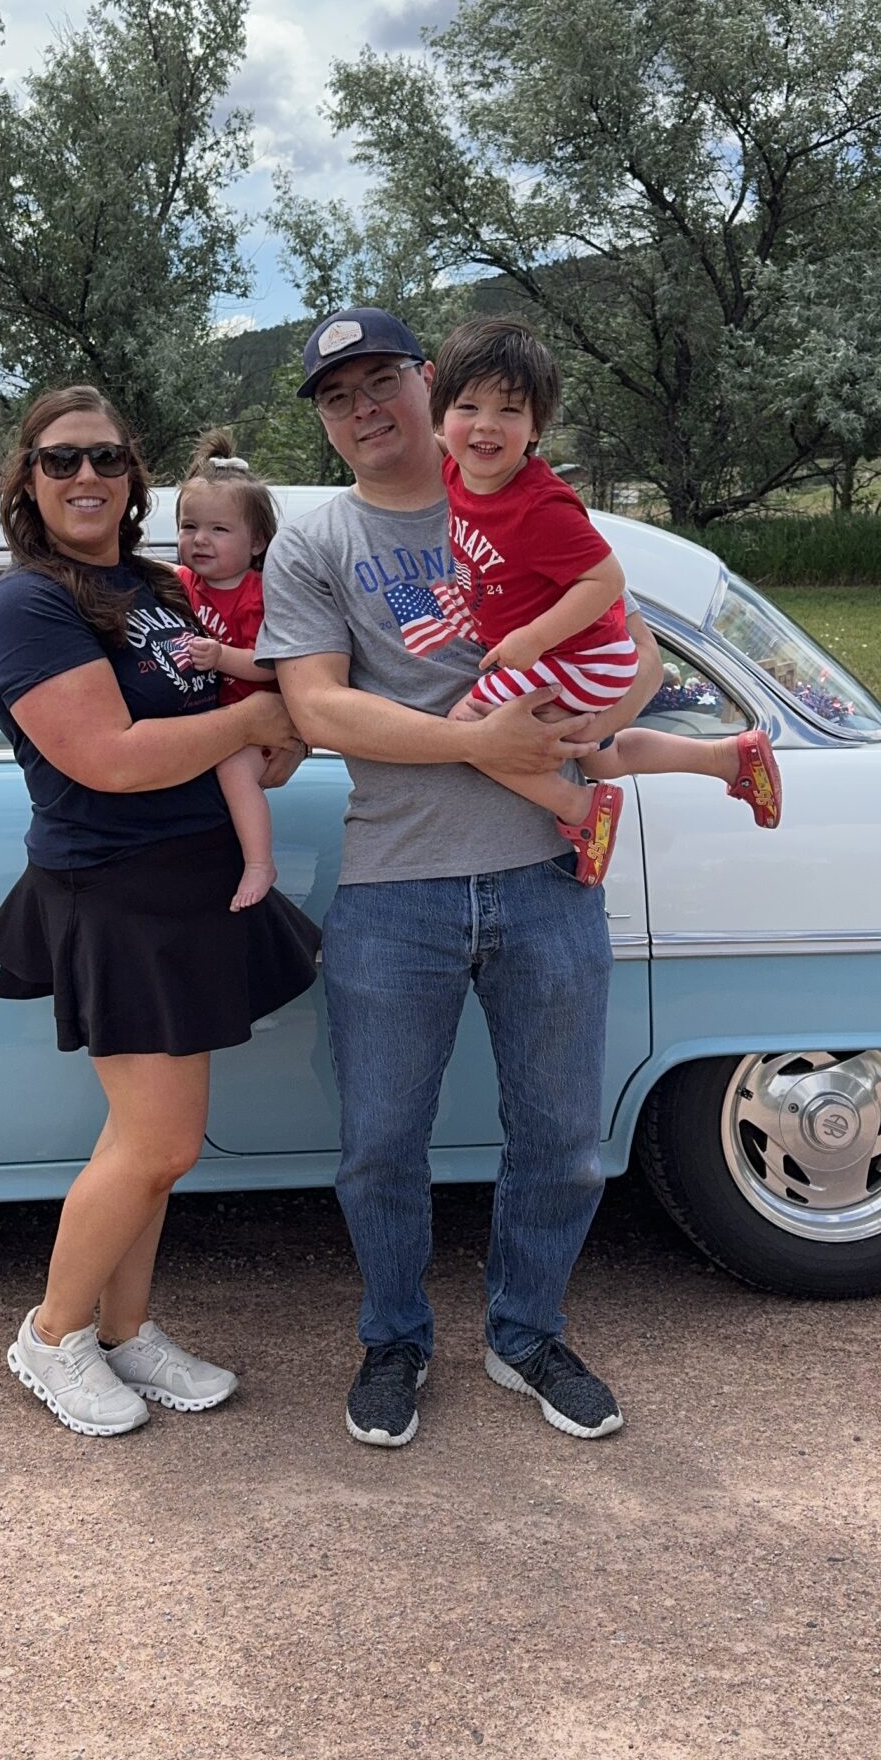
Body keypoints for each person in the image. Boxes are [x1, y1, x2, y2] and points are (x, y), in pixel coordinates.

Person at [254, 306, 662, 1452]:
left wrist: (595, 728)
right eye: (339, 396)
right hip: (395, 883)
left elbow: (637, 647)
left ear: (432, 383)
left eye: (383, 379)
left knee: (564, 1138)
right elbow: (319, 707)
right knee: (381, 1143)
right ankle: (396, 1336)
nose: (365, 408)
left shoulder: (513, 483)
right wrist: (481, 743)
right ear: (327, 421)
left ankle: (526, 1333)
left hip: (545, 874)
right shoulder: (314, 541)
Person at [0, 385, 317, 1439]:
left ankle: (124, 1333)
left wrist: (280, 733)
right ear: (28, 480)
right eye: (62, 459)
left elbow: (233, 731)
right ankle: (51, 1332)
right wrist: (258, 715)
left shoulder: (161, 587)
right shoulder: (30, 604)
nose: (88, 478)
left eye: (108, 460)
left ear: (134, 480)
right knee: (160, 1143)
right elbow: (110, 758)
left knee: (156, 1140)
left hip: (190, 884)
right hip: (115, 892)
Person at [430, 315, 782, 885]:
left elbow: (607, 580)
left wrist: (531, 639)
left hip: (579, 655)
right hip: (571, 653)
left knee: (467, 726)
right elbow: (437, 437)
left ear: (538, 427)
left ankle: (581, 810)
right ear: (442, 413)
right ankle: (728, 757)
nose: (485, 427)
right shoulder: (454, 467)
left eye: (510, 412)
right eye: (468, 408)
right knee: (595, 754)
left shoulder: (541, 506)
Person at [171, 430, 283, 913]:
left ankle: (259, 862)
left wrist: (220, 657)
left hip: (255, 724)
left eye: (219, 530)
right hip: (209, 722)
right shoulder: (178, 583)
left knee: (234, 770)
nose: (200, 540)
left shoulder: (259, 592)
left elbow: (269, 663)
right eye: (188, 525)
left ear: (256, 541)